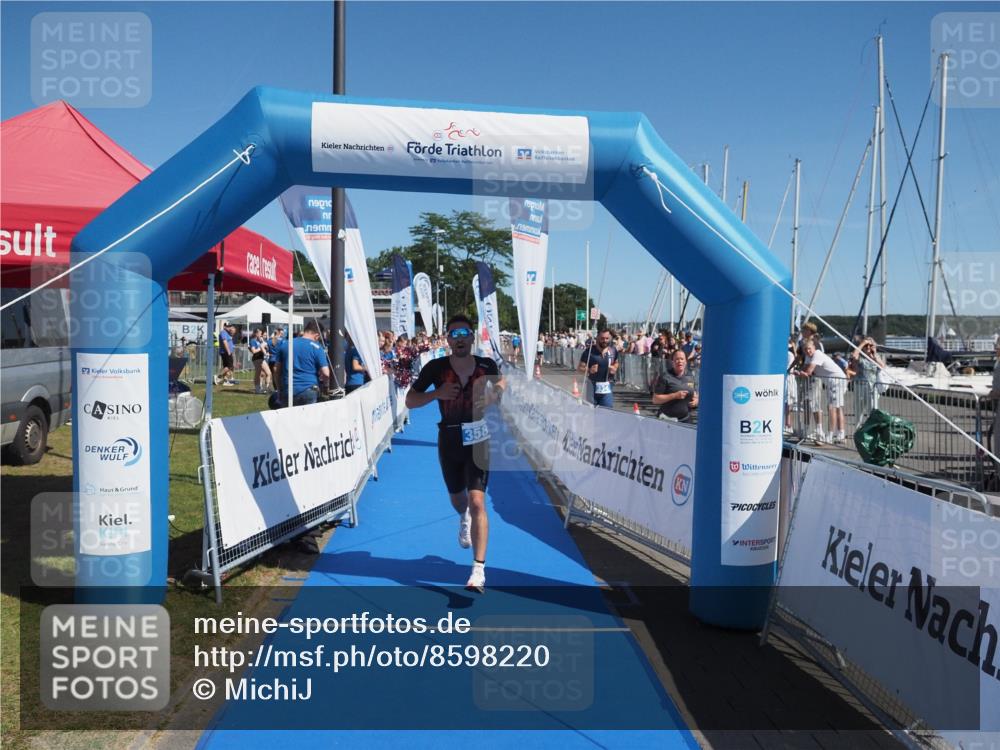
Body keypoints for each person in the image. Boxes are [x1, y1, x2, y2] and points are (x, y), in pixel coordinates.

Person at [406, 314, 505, 593]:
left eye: (464, 333)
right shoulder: (436, 368)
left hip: (478, 438)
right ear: (448, 340)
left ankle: (478, 571)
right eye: (454, 334)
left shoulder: (486, 365)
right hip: (448, 438)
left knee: (478, 502)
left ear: (472, 337)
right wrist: (436, 394)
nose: (459, 338)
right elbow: (410, 400)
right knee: (459, 500)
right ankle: (463, 518)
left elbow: (500, 385)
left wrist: (495, 392)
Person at [796, 338, 847, 444]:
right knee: (837, 408)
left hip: (837, 381)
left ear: (814, 348)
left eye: (809, 349)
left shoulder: (817, 355)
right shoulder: (808, 357)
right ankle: (841, 434)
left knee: (832, 407)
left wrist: (799, 372)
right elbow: (805, 368)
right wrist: (800, 371)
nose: (808, 351)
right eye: (805, 349)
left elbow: (808, 371)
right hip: (831, 382)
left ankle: (829, 435)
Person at [270, 320, 331, 407]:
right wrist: (326, 386)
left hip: (288, 390)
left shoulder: (286, 344)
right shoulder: (317, 347)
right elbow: (326, 373)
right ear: (317, 335)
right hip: (309, 389)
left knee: (289, 419)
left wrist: (279, 389)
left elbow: (276, 370)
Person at [652, 349, 699, 422]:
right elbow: (655, 399)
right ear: (672, 362)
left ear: (686, 362)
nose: (680, 361)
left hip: (685, 420)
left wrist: (696, 401)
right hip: (667, 421)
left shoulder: (690, 376)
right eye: (677, 359)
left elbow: (695, 394)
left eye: (682, 359)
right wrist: (674, 395)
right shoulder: (665, 376)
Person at [847, 337, 885, 427]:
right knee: (858, 410)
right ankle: (857, 429)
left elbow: (882, 367)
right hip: (860, 386)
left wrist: (874, 354)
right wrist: (862, 344)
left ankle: (872, 430)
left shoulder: (876, 356)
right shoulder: (860, 356)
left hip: (873, 387)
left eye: (870, 346)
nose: (868, 348)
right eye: (866, 346)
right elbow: (853, 356)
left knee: (872, 410)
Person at [576, 329, 619, 408]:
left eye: (607, 338)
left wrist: (614, 368)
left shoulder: (613, 350)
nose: (604, 340)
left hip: (607, 385)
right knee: (592, 412)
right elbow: (579, 368)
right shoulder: (589, 352)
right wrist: (589, 370)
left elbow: (616, 362)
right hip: (592, 385)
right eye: (602, 338)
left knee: (607, 410)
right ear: (597, 338)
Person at [248, 328, 272, 394]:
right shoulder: (253, 341)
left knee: (268, 373)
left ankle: (266, 388)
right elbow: (253, 351)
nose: (261, 335)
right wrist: (261, 348)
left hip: (261, 358)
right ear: (256, 333)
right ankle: (258, 389)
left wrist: (263, 345)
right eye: (260, 333)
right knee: (258, 374)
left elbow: (266, 348)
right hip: (257, 359)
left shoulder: (259, 341)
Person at [216, 322, 237, 386]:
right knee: (229, 366)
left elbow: (231, 337)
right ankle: (218, 376)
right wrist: (228, 352)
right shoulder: (223, 332)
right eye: (228, 326)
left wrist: (232, 331)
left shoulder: (228, 333)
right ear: (224, 326)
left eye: (230, 326)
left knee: (226, 366)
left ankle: (225, 381)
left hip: (228, 351)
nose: (229, 328)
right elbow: (225, 342)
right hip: (226, 352)